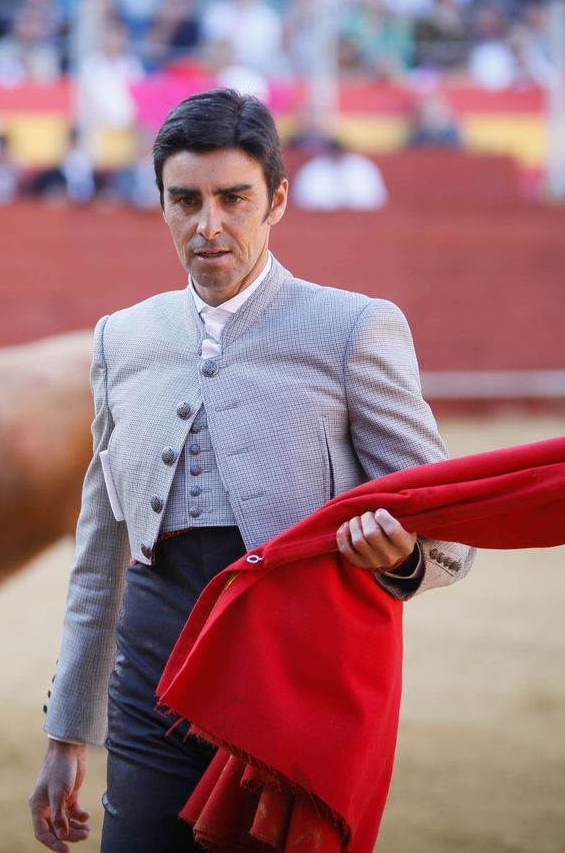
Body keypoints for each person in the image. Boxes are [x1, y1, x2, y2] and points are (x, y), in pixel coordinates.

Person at [28, 89, 473, 852]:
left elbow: (450, 536)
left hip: (294, 681)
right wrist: (68, 729)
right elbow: (101, 557)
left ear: (277, 201)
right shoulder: (121, 340)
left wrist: (400, 557)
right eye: (186, 201)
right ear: (161, 203)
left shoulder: (351, 329)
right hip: (153, 677)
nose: (209, 227)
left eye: (234, 199)